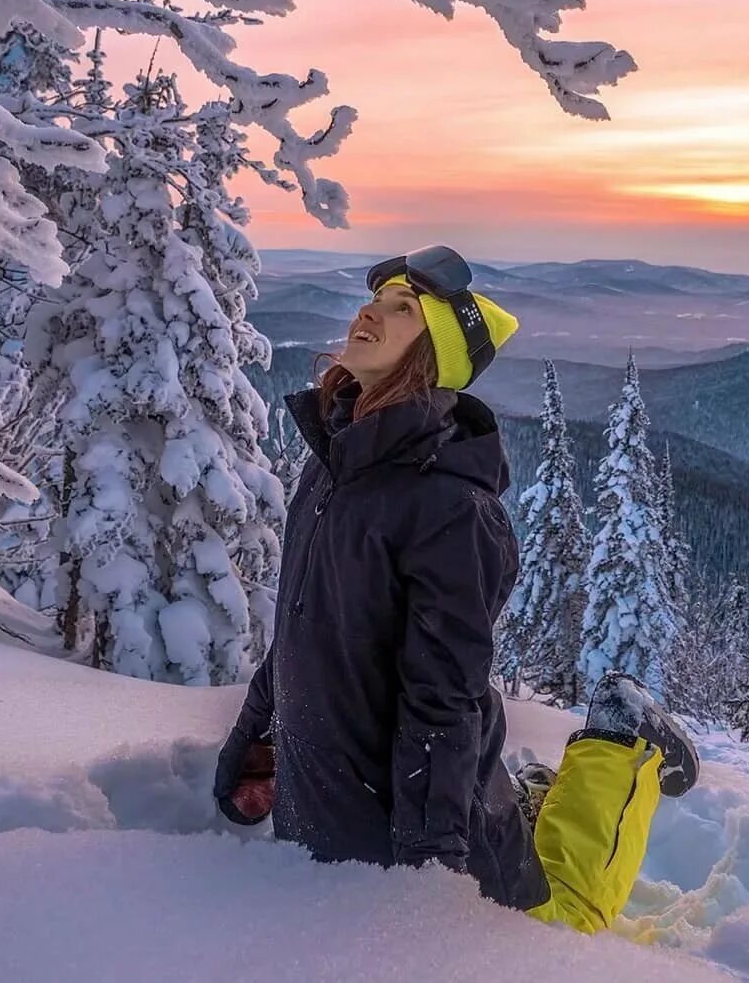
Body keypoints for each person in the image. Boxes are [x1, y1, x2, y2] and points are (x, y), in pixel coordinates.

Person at [214, 245, 699, 933]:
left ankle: (621, 742)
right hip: (347, 829)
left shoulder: (451, 510)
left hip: (413, 838)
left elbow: (442, 699)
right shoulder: (332, 470)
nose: (370, 312)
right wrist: (253, 747)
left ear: (434, 355)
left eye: (402, 308)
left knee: (567, 920)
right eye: (376, 299)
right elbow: (300, 636)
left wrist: (431, 876)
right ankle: (521, 800)